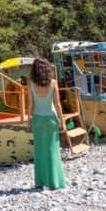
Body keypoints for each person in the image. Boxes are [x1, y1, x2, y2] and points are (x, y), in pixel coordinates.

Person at [26, 57, 67, 190]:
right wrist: (62, 121)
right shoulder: (53, 83)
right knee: (52, 150)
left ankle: (40, 182)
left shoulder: (31, 83)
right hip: (51, 119)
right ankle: (54, 182)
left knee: (39, 151)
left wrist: (28, 121)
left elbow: (31, 104)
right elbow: (57, 104)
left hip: (37, 119)